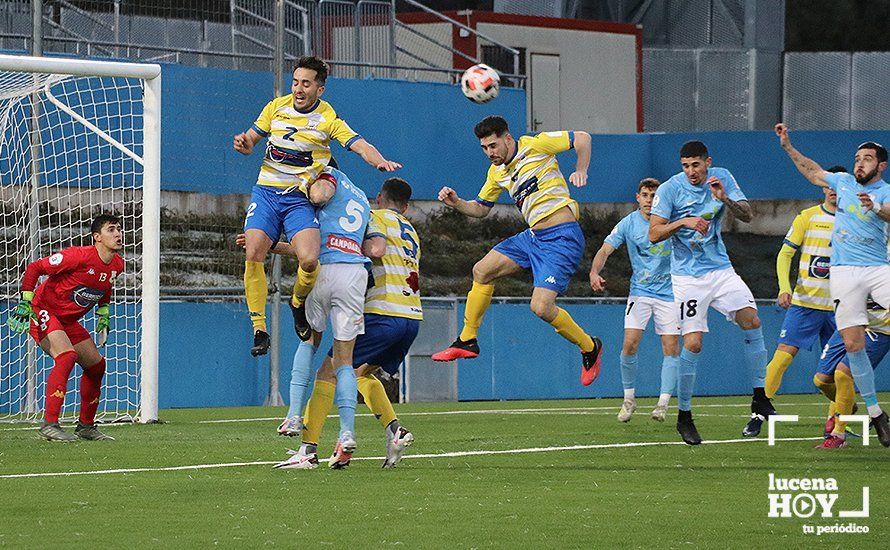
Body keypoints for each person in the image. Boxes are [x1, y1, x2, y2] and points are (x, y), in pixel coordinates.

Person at [234, 55, 400, 357]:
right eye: (295, 82)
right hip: (267, 193)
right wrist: (244, 144)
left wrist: (380, 161)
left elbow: (360, 144)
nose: (298, 88)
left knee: (309, 260)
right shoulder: (275, 107)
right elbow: (251, 140)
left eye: (306, 84)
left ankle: (297, 302)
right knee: (253, 251)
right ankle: (259, 329)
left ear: (319, 89)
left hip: (298, 198)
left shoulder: (328, 119)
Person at [431, 116, 603, 385]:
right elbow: (480, 209)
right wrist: (457, 203)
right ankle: (468, 339)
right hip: (533, 237)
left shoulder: (537, 144)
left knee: (541, 307)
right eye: (485, 148)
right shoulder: (496, 172)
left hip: (561, 237)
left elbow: (583, 138)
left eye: (493, 145)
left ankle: (590, 347)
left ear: (508, 138)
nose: (490, 152)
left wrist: (581, 169)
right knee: (482, 270)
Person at [282, 177, 422, 469]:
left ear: (380, 198)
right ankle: (394, 432)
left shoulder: (374, 216)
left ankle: (308, 448)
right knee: (362, 374)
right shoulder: (411, 230)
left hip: (381, 312)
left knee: (329, 371)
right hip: (411, 317)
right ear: (406, 207)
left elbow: (372, 250)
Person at [649, 140, 774, 445]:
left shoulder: (722, 177)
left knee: (752, 320)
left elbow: (747, 215)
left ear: (708, 162)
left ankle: (759, 397)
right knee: (692, 344)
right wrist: (684, 221)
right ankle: (685, 416)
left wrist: (725, 197)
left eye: (696, 165)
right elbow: (654, 233)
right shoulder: (670, 189)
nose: (691, 172)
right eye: (685, 166)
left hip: (720, 270)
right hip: (687, 278)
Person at [775, 124, 890, 446]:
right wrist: (788, 146)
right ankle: (877, 414)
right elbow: (812, 171)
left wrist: (877, 208)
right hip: (844, 274)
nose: (860, 163)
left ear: (880, 165)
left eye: (867, 159)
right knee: (853, 347)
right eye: (857, 158)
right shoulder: (843, 182)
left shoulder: (884, 192)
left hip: (878, 269)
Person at [6, 214, 124, 441]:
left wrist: (104, 312)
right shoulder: (76, 256)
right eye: (111, 230)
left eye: (119, 229)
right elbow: (34, 268)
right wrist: (25, 301)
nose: (118, 234)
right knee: (67, 356)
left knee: (97, 365)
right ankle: (50, 424)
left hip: (67, 321)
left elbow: (105, 286)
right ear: (97, 237)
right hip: (43, 310)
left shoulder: (117, 265)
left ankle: (86, 427)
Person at [589, 178, 679, 422]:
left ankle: (663, 404)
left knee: (671, 348)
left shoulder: (671, 221)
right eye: (646, 195)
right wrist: (594, 272)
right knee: (629, 345)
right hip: (640, 292)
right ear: (638, 197)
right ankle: (629, 400)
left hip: (670, 293)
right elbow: (605, 249)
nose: (650, 200)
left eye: (654, 195)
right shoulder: (628, 223)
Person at [763, 167, 843, 398]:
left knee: (837, 372)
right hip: (806, 303)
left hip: (840, 307)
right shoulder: (807, 217)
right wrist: (784, 287)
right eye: (829, 185)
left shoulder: (854, 222)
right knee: (782, 356)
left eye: (838, 186)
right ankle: (758, 412)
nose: (833, 190)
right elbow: (785, 254)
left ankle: (839, 419)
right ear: (822, 187)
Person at [814, 299, 889, 449]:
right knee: (821, 380)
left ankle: (838, 434)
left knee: (843, 374)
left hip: (879, 329)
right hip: (848, 324)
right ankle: (848, 405)